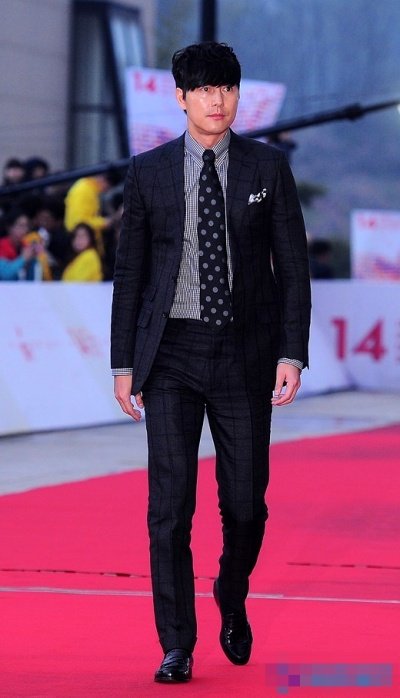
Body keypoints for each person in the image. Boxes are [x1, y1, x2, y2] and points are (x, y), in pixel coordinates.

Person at [111, 42, 311, 684]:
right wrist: (123, 362)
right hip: (170, 353)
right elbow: (130, 272)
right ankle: (176, 643)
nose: (216, 100)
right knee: (169, 508)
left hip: (245, 354)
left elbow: (293, 265)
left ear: (237, 94)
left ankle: (231, 588)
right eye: (203, 89)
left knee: (246, 505)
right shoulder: (149, 171)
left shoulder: (267, 167)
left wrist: (291, 350)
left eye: (226, 88)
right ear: (180, 97)